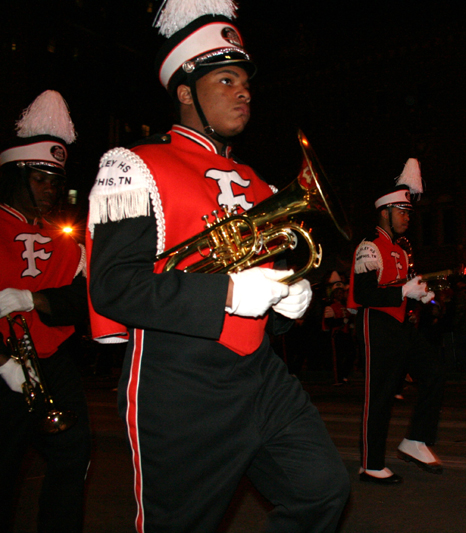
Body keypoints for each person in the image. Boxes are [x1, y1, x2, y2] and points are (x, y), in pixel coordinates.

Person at [84, 3, 349, 531]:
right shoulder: (135, 165)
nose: (244, 91)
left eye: (246, 81)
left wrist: (286, 300)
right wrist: (226, 294)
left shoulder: (258, 183)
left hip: (262, 376)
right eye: (226, 80)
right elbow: (113, 287)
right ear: (185, 92)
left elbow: (261, 292)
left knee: (324, 491)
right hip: (179, 383)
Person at [0, 91, 91, 533]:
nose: (51, 190)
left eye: (56, 181)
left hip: (52, 364)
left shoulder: (64, 240)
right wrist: (2, 365)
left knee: (74, 457)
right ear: (16, 175)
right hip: (3, 364)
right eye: (40, 179)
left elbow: (84, 302)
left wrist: (32, 299)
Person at [347, 158, 446, 484]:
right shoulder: (369, 246)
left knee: (433, 370)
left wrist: (424, 296)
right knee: (381, 395)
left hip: (401, 326)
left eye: (408, 212)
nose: (407, 217)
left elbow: (403, 289)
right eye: (402, 211)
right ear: (385, 212)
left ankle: (415, 440)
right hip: (375, 324)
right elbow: (363, 294)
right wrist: (403, 291)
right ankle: (370, 464)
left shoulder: (402, 251)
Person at [322, 271, 355, 385]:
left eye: (341, 292)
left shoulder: (345, 306)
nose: (340, 295)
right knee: (338, 357)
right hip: (336, 335)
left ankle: (344, 375)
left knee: (351, 354)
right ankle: (338, 378)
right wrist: (342, 321)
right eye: (338, 293)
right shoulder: (330, 306)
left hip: (346, 334)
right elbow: (329, 322)